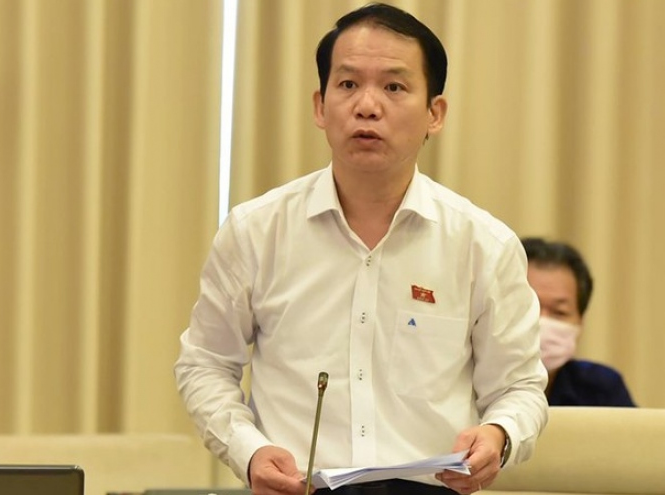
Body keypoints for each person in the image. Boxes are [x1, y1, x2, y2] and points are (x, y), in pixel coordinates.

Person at [174, 4, 549, 495]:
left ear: (434, 114)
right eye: (348, 84)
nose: (367, 106)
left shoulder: (484, 244)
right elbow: (204, 364)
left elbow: (519, 387)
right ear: (320, 105)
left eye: (394, 87)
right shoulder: (256, 232)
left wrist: (499, 434)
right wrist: (249, 451)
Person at [521, 237, 636, 407]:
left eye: (559, 312)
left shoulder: (602, 388)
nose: (542, 321)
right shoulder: (476, 385)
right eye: (529, 307)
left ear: (580, 323)